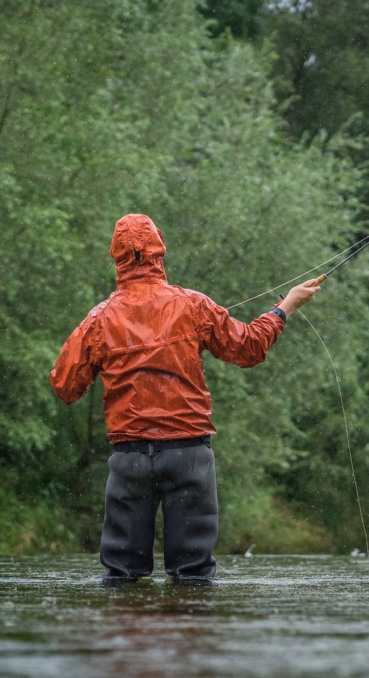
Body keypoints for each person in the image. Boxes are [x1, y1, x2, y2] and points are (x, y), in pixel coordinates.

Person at [50, 214, 320, 584]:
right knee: (193, 577)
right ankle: (188, 636)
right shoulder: (193, 305)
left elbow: (64, 387)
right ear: (160, 251)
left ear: (116, 258)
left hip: (130, 460)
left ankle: (123, 638)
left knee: (121, 576)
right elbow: (250, 348)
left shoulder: (99, 319)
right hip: (189, 456)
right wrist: (284, 307)